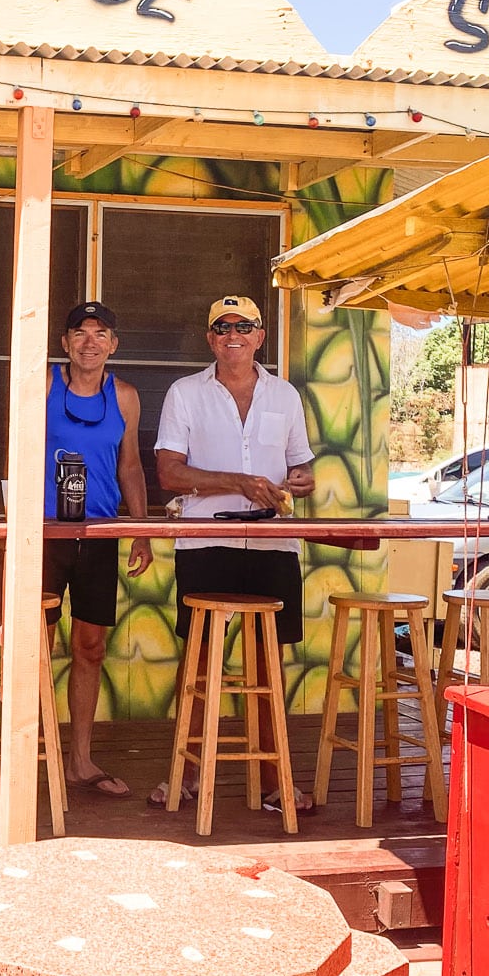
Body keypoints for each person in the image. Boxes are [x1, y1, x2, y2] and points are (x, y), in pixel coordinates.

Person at [151, 295, 316, 812]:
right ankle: (188, 775)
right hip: (205, 541)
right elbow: (168, 474)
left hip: (272, 543)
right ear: (210, 339)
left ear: (260, 336)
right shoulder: (184, 393)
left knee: (269, 667)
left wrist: (299, 482)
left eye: (244, 326)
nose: (233, 335)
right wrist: (238, 482)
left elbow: (302, 470)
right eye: (222, 328)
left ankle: (274, 781)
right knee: (199, 664)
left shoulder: (285, 395)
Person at [0, 301, 152, 798]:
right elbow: (12, 454)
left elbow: (132, 467)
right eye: (80, 332)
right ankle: (28, 759)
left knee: (90, 647)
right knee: (34, 648)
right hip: (44, 534)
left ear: (113, 345)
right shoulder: (42, 386)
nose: (90, 342)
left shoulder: (124, 396)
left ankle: (78, 759)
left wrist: (141, 529)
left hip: (99, 535)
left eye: (101, 334)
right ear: (64, 342)